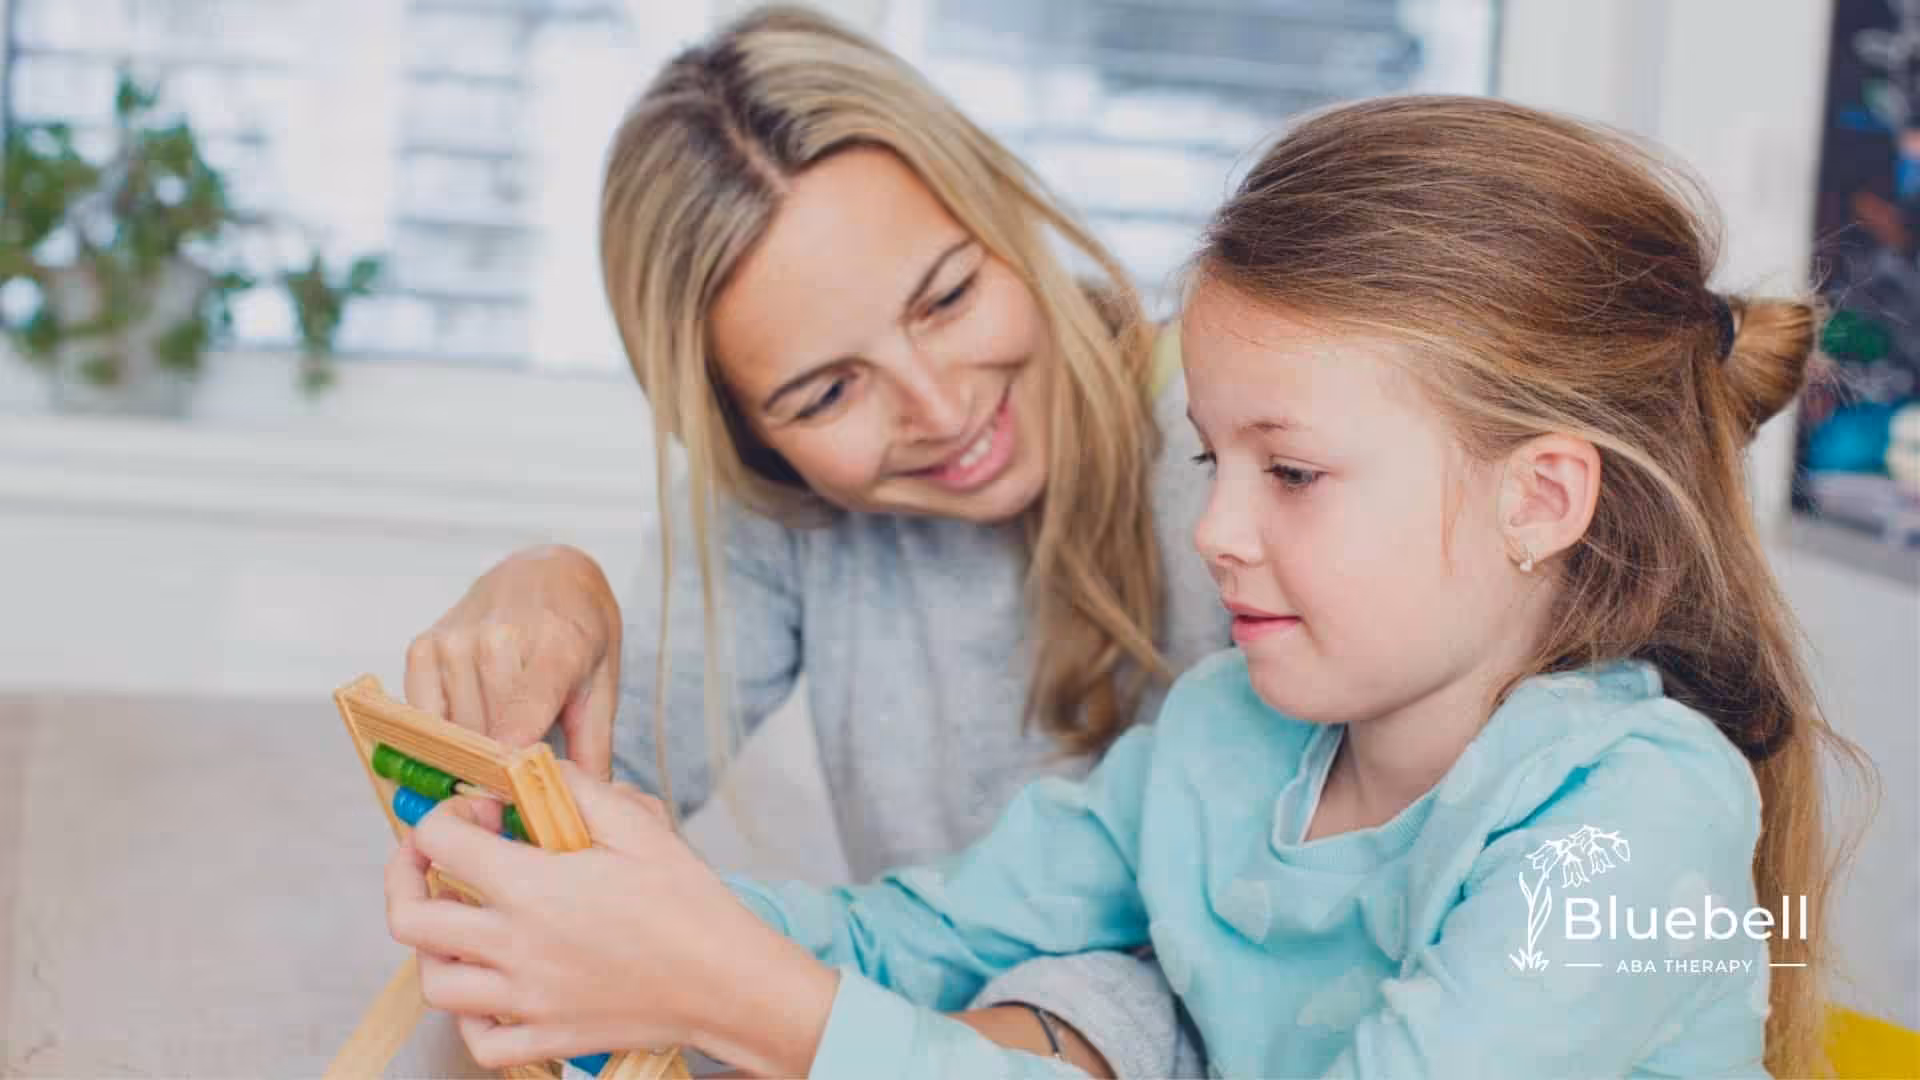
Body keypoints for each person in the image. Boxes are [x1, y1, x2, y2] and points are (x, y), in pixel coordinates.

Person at [387, 96, 1867, 1078]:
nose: (1213, 527)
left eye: (1286, 474)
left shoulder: (1633, 821)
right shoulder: (1228, 735)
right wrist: (638, 893)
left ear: (1539, 498)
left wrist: (760, 1008)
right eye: (1208, 456)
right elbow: (915, 937)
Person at [398, 6, 1224, 1075]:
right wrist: (551, 595)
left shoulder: (1229, 442)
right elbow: (571, 814)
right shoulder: (783, 508)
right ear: (753, 437)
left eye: (949, 296)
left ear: (1004, 214)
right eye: (830, 391)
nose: (939, 407)